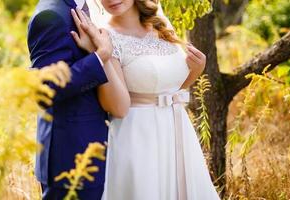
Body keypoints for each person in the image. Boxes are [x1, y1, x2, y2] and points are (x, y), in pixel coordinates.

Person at [69, 0, 222, 199]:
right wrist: (100, 56)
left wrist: (196, 70)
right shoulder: (106, 37)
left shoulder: (161, 23)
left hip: (177, 130)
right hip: (137, 138)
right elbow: (117, 107)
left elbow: (170, 87)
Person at [27, 0, 127, 199]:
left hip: (90, 157)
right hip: (70, 164)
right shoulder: (50, 15)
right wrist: (100, 56)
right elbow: (43, 90)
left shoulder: (78, 7)